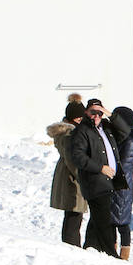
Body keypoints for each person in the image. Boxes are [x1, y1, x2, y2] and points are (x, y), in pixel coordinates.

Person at [68, 100, 131, 258]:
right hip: (94, 181)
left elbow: (125, 131)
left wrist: (110, 114)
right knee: (103, 219)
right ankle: (110, 252)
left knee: (99, 217)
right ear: (86, 113)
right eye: (92, 112)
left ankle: (91, 246)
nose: (96, 116)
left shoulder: (106, 128)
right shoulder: (82, 131)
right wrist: (100, 168)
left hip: (109, 181)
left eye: (99, 113)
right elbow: (78, 157)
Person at [47, 96, 88, 247]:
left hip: (69, 178)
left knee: (74, 215)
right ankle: (72, 248)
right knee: (73, 215)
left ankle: (71, 246)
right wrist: (84, 177)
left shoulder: (69, 132)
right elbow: (73, 162)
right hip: (72, 181)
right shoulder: (70, 135)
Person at [110, 106, 133, 260]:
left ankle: (122, 253)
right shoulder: (131, 137)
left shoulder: (129, 140)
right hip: (123, 182)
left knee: (120, 221)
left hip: (121, 182)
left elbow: (124, 163)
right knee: (119, 218)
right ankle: (118, 250)